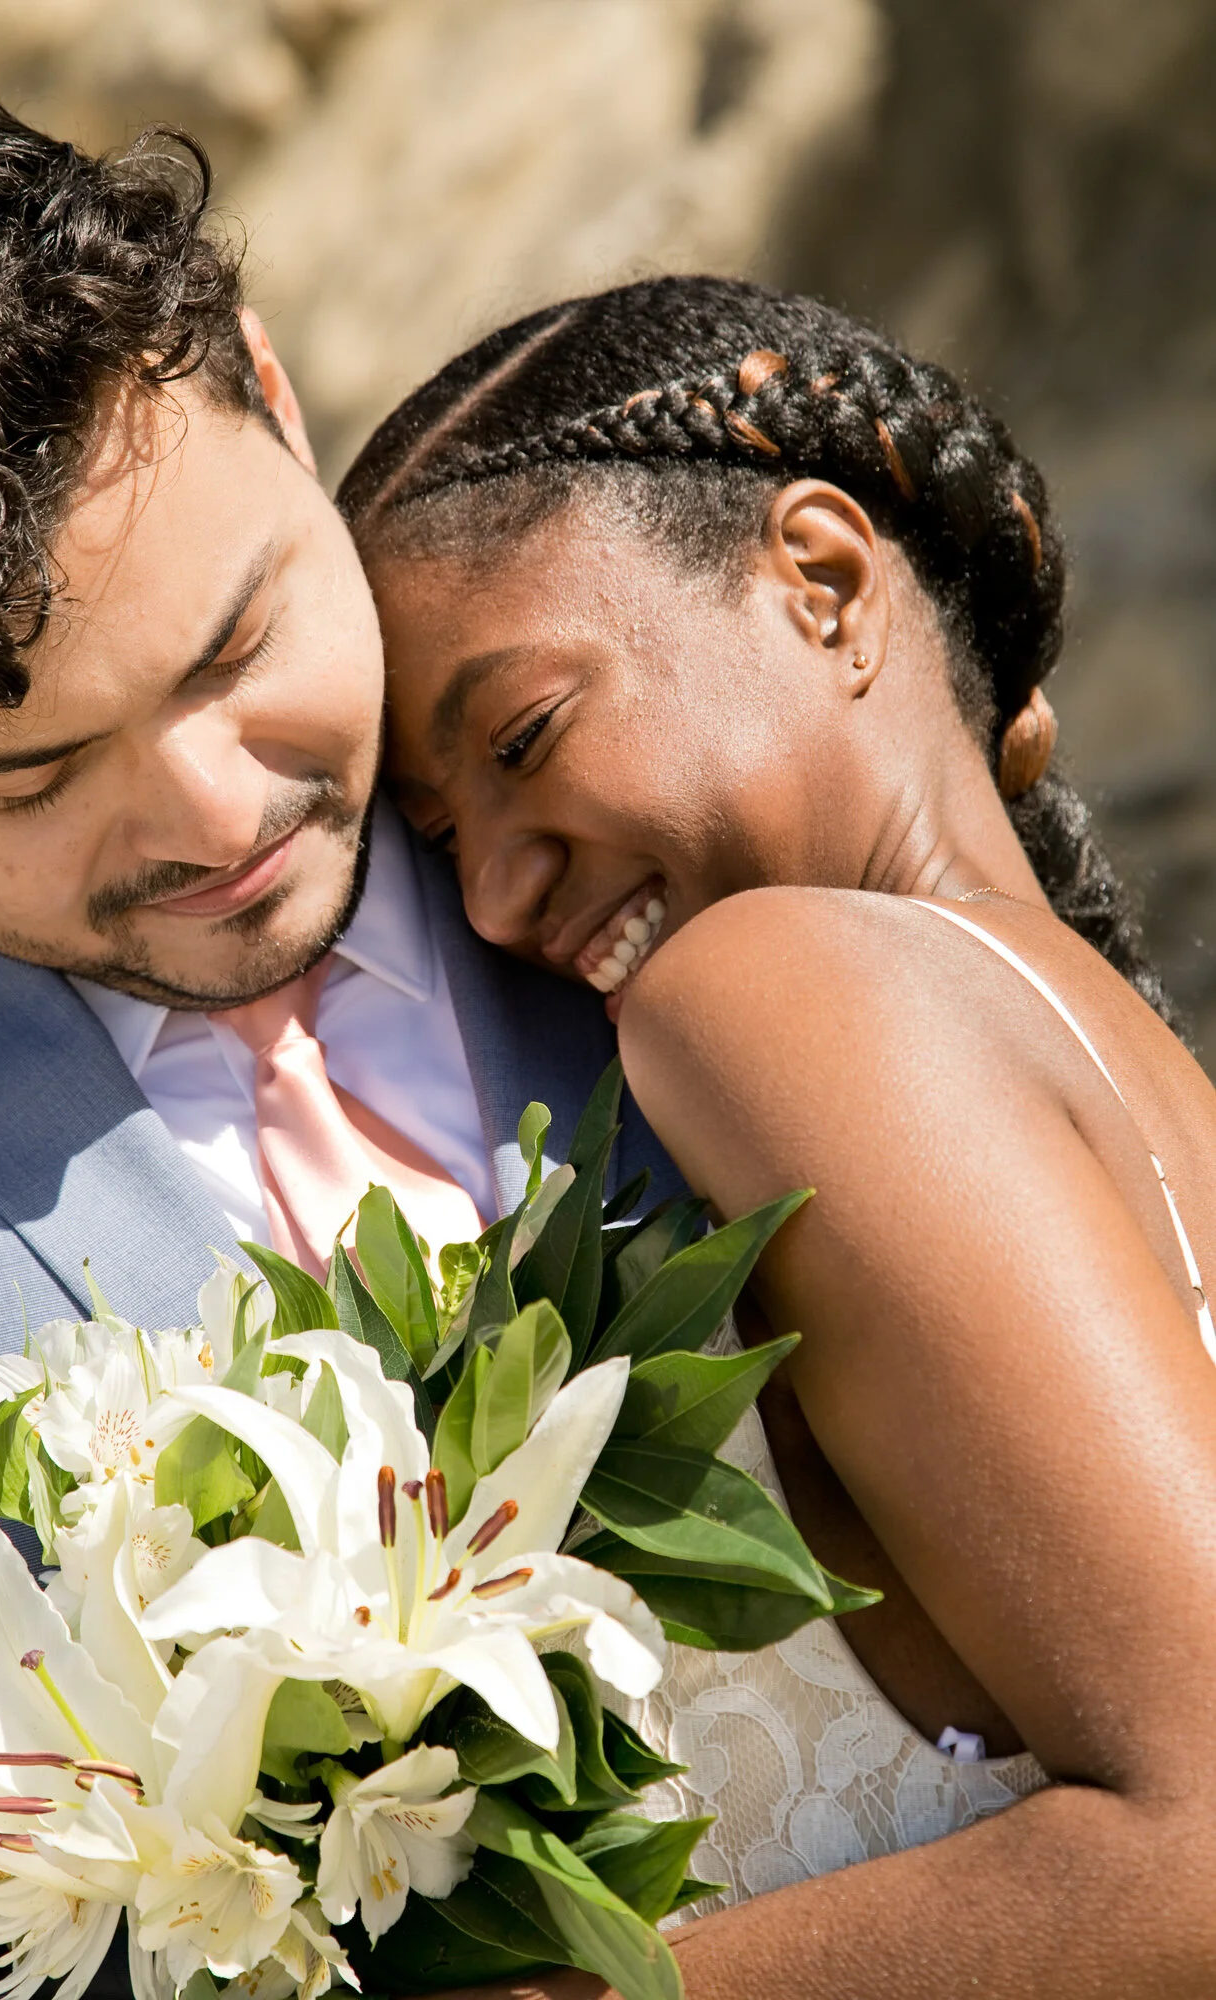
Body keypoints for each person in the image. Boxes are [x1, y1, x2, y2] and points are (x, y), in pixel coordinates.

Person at [0, 79, 679, 2000]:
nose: (214, 815)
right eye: (35, 779)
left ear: (270, 385)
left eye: (237, 649)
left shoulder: (670, 757)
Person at [339, 276, 1216, 1996]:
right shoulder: (1143, 1080)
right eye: (442, 844)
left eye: (524, 740)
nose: (502, 896)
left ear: (818, 585)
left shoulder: (767, 988)